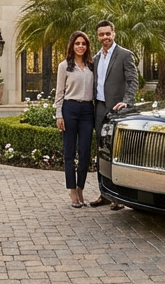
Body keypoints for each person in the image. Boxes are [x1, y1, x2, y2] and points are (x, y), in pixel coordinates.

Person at [88, 20, 138, 209]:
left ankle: (120, 197)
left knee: (117, 153)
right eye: (101, 34)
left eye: (108, 34)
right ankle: (104, 194)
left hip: (117, 110)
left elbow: (133, 81)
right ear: (98, 36)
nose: (105, 37)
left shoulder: (125, 55)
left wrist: (127, 101)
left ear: (114, 34)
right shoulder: (96, 58)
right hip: (99, 109)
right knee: (101, 152)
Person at [54, 31, 95, 208]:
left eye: (83, 43)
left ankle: (80, 188)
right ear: (72, 46)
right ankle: (71, 190)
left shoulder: (91, 65)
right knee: (69, 153)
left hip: (87, 110)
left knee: (85, 152)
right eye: (77, 43)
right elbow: (59, 92)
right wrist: (59, 114)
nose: (80, 46)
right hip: (69, 108)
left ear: (87, 47)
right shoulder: (64, 66)